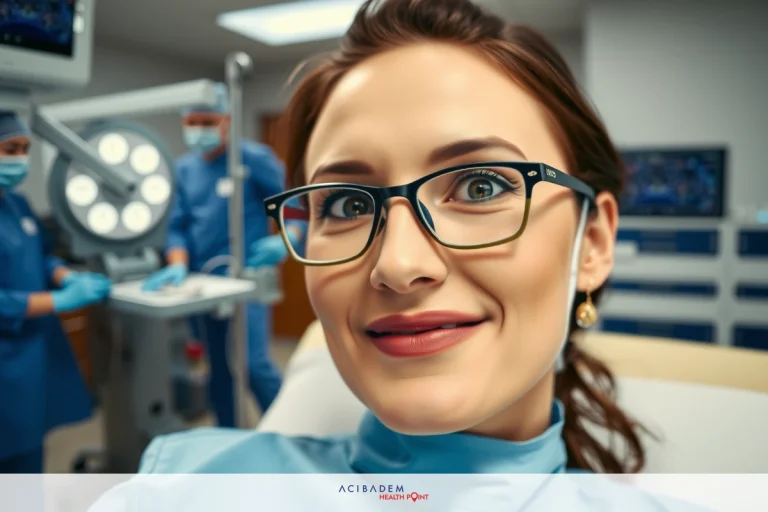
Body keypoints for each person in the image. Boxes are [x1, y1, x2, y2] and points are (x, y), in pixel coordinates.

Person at [141, 84, 302, 427]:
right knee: (215, 369)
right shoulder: (184, 169)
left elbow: (297, 203)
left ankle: (289, 432)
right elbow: (177, 223)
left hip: (245, 280)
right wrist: (178, 265)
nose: (199, 129)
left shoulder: (251, 159)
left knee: (251, 364)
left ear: (226, 120)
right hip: (202, 284)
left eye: (207, 121)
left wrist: (288, 241)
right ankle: (229, 434)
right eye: (193, 121)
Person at [0, 111, 111, 473]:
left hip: (34, 349)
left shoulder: (18, 204)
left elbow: (41, 254)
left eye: (24, 148)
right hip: (7, 354)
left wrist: (65, 277)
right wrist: (59, 302)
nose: (19, 157)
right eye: (9, 148)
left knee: (31, 452)